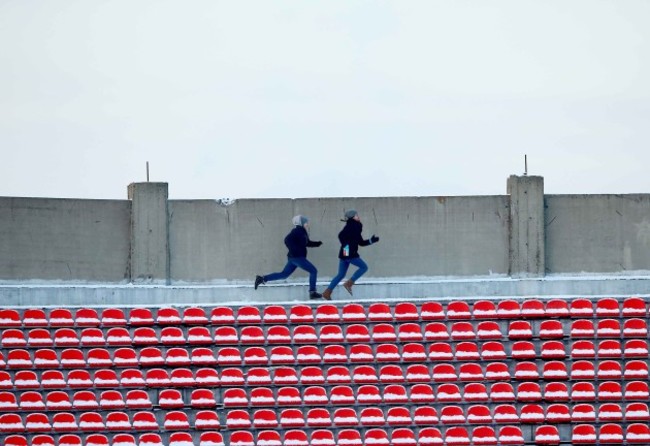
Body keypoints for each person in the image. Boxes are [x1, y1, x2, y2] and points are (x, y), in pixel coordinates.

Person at [255, 215, 324, 299]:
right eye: (306, 222)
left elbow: (306, 243)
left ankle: (262, 279)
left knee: (284, 274)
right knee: (313, 271)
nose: (307, 224)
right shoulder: (298, 231)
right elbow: (287, 239)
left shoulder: (302, 231)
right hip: (297, 257)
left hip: (293, 258)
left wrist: (317, 243)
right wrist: (294, 250)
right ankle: (312, 292)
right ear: (301, 223)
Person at [322, 209, 379, 300]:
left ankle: (327, 292)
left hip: (345, 254)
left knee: (340, 275)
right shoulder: (353, 226)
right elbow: (341, 236)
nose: (358, 217)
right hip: (350, 254)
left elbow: (360, 242)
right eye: (356, 215)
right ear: (352, 217)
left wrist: (371, 241)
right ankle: (349, 283)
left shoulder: (354, 226)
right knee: (364, 267)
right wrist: (347, 247)